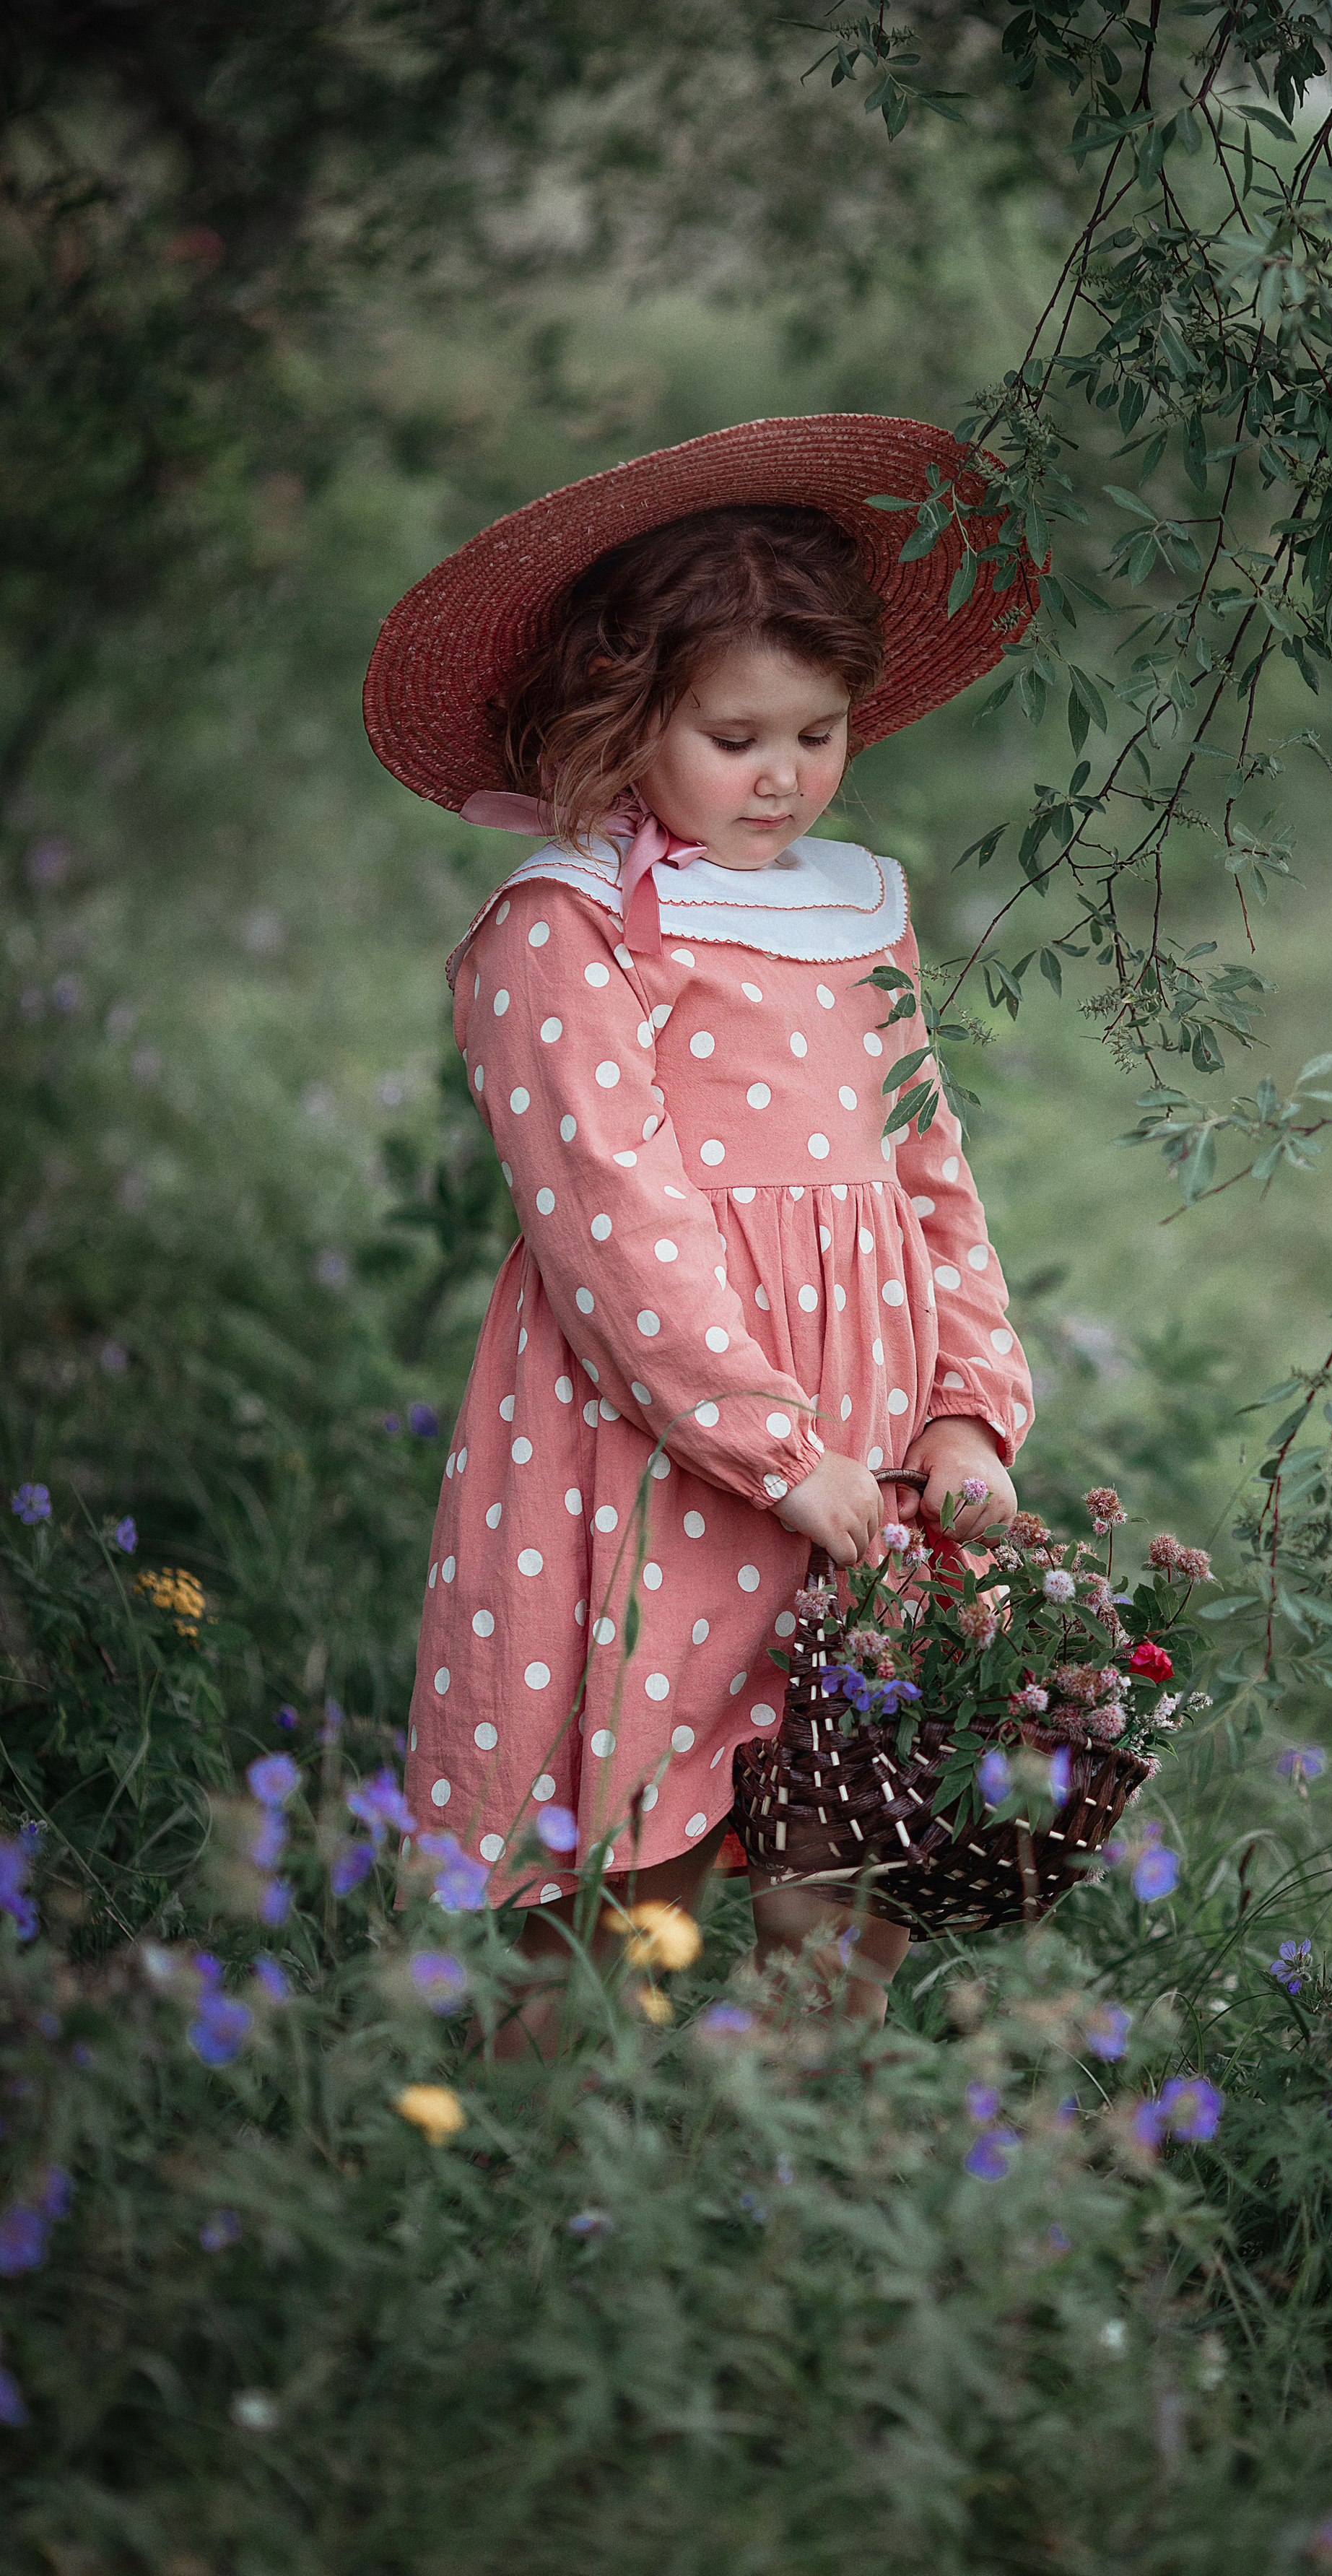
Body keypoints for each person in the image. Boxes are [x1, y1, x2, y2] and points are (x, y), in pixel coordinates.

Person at [362, 414, 1038, 2044]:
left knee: (842, 1805)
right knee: (626, 1829)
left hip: (863, 1446)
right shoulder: (567, 924)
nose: (786, 776)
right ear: (628, 717)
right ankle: (538, 2156)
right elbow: (611, 1220)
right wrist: (763, 1444)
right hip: (652, 1450)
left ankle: (799, 2169)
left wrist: (964, 1410)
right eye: (735, 736)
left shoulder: (852, 909)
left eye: (818, 733)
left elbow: (926, 1172)